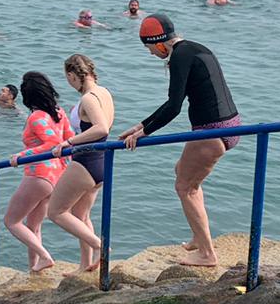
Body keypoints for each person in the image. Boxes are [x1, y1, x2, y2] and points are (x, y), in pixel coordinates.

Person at [120, 14, 241, 266]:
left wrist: (144, 134)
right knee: (183, 174)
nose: (151, 54)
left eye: (149, 48)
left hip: (211, 131)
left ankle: (207, 254)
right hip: (228, 125)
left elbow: (174, 106)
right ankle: (199, 237)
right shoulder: (195, 48)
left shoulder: (179, 58)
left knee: (185, 186)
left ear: (159, 42)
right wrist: (141, 125)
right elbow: (173, 103)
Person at [49, 53, 115, 271]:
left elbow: (101, 128)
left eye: (68, 78)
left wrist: (69, 141)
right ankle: (85, 265)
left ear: (72, 75)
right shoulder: (104, 92)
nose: (69, 83)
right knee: (80, 215)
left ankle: (99, 245)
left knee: (56, 212)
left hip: (85, 161)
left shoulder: (88, 98)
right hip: (101, 163)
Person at [5, 72, 69, 272]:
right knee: (34, 226)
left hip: (38, 174)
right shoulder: (59, 112)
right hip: (57, 176)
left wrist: (22, 155)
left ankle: (44, 256)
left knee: (11, 221)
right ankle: (34, 268)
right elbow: (69, 140)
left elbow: (52, 143)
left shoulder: (36, 117)